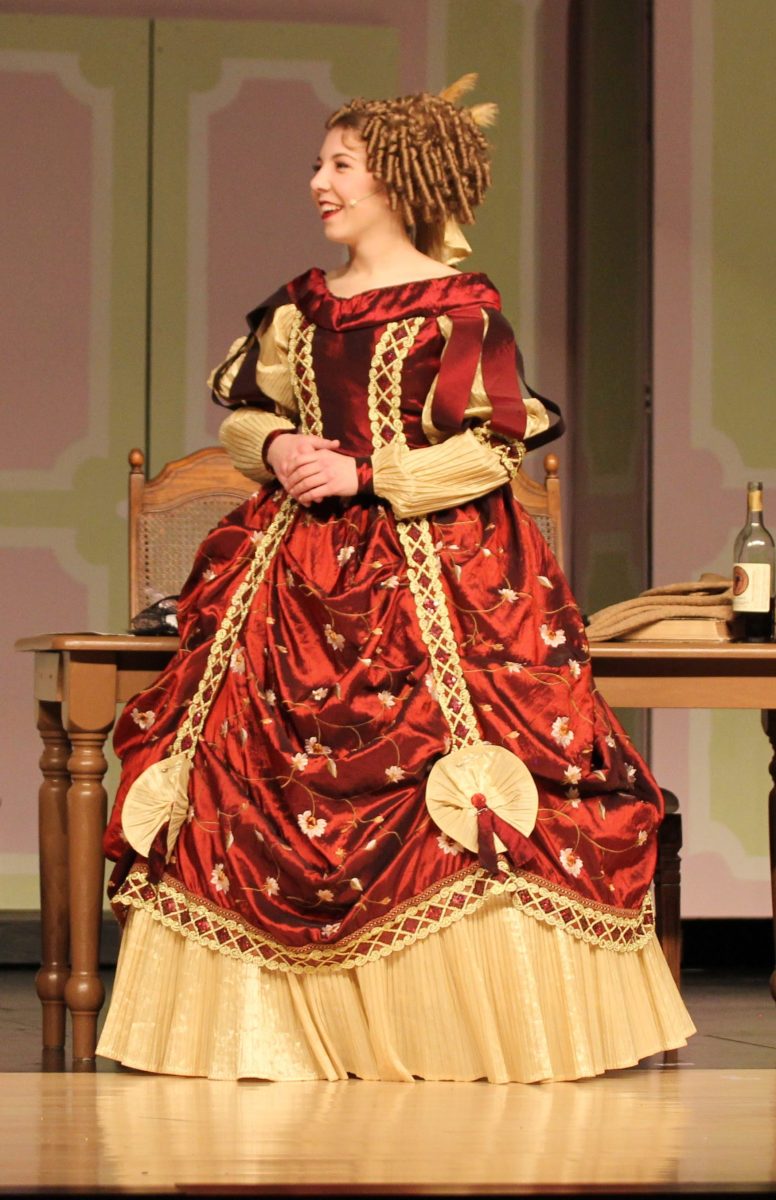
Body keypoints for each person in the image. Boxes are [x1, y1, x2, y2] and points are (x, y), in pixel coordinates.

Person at [97, 75, 695, 1082]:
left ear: (400, 181)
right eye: (319, 163)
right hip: (295, 569)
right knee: (249, 765)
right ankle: (278, 1028)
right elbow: (247, 417)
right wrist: (277, 445)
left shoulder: (459, 312)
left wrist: (369, 474)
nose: (318, 182)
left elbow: (493, 446)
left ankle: (452, 1029)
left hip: (442, 568)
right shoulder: (301, 309)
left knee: (461, 764)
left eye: (342, 165)